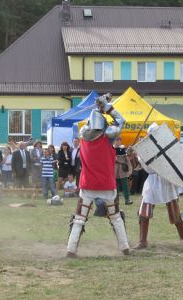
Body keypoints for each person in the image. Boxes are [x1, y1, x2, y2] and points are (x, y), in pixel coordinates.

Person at [67, 93, 130, 258]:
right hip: (107, 185)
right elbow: (121, 121)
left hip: (87, 185)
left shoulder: (82, 138)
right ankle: (124, 247)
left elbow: (87, 126)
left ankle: (71, 249)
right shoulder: (108, 138)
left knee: (80, 218)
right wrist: (107, 108)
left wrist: (99, 108)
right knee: (115, 216)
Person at [133, 123, 183, 250]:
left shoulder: (168, 147)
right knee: (144, 212)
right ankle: (143, 241)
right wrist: (133, 154)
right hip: (152, 180)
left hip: (166, 180)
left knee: (175, 212)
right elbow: (139, 166)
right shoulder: (145, 149)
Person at [114, 137, 133, 205]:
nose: (118, 142)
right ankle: (116, 201)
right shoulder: (111, 148)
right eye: (117, 140)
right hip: (114, 170)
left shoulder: (123, 149)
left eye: (119, 140)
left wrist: (130, 169)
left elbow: (127, 160)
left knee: (125, 186)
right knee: (115, 187)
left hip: (123, 170)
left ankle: (127, 200)